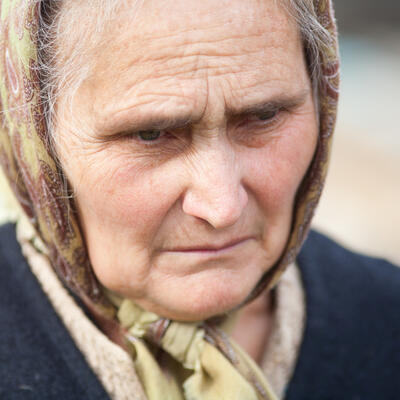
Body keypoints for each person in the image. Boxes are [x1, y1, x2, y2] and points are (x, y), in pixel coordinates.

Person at [0, 0, 399, 399]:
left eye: (264, 116)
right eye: (151, 134)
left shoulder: (385, 320)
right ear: (36, 141)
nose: (222, 207)